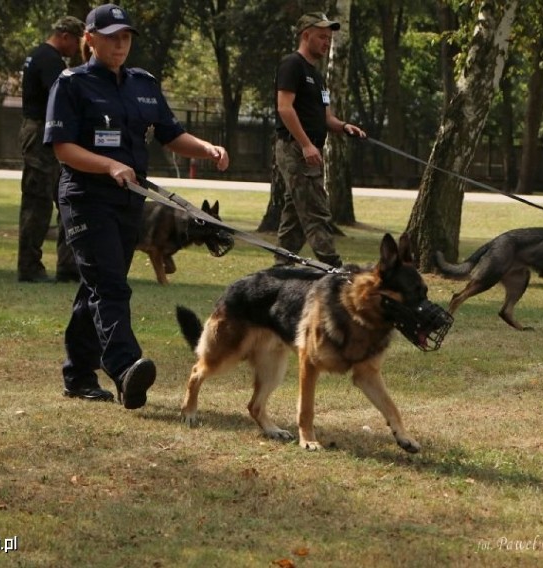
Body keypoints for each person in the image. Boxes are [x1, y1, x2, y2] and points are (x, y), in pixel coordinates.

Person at [44, 3, 229, 406]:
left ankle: (77, 374)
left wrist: (207, 149)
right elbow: (63, 148)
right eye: (111, 37)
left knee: (96, 285)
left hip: (130, 202)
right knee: (109, 284)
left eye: (125, 37)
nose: (120, 44)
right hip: (86, 199)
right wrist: (109, 164)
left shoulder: (142, 84)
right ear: (89, 39)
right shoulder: (71, 83)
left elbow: (170, 133)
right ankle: (126, 368)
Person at [274, 12, 366, 268]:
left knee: (295, 215)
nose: (327, 43)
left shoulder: (318, 76)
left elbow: (327, 118)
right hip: (295, 148)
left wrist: (345, 126)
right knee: (316, 212)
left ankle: (280, 270)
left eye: (329, 38)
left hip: (310, 148)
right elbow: (285, 108)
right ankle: (336, 271)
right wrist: (305, 144)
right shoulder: (291, 65)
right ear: (306, 35)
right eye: (322, 37)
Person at [18, 16, 84, 283]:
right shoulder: (49, 60)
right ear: (65, 35)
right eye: (77, 42)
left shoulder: (40, 56)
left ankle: (68, 267)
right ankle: (30, 267)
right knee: (38, 203)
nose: (77, 49)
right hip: (41, 136)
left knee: (65, 199)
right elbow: (62, 98)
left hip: (46, 134)